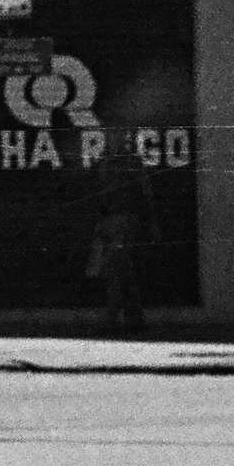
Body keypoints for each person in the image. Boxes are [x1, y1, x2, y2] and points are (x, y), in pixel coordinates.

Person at [83, 141, 151, 337]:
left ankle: (112, 319)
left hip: (124, 221)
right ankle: (135, 318)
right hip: (113, 221)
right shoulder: (107, 162)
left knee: (115, 270)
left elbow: (143, 192)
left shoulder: (129, 162)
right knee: (124, 271)